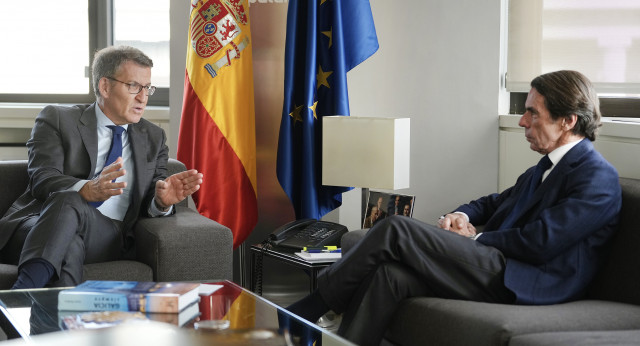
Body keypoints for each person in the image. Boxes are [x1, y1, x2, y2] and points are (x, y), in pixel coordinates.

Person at [286, 70, 622, 345]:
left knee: (396, 228)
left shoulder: (597, 178)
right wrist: (461, 216)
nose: (522, 122)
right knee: (391, 275)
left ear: (567, 120)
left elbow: (541, 242)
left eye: (533, 113)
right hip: (501, 265)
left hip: (530, 280)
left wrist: (473, 241)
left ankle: (307, 310)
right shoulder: (545, 167)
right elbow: (491, 203)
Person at [0, 46, 203, 289]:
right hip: (37, 226)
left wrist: (161, 202)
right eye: (133, 86)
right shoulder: (58, 119)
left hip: (106, 236)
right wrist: (87, 189)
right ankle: (54, 320)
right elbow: (43, 178)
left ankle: (17, 299)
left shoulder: (153, 137)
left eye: (147, 88)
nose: (143, 97)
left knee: (70, 207)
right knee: (70, 223)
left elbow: (153, 196)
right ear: (105, 86)